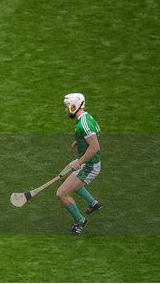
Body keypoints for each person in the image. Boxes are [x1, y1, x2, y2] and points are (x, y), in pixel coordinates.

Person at [57, 93, 102, 235]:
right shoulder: (87, 118)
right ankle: (93, 203)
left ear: (73, 106)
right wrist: (80, 141)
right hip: (84, 161)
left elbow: (95, 147)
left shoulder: (84, 124)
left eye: (66, 107)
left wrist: (80, 162)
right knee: (63, 176)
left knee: (61, 194)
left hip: (89, 165)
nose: (65, 110)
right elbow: (96, 132)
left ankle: (80, 221)